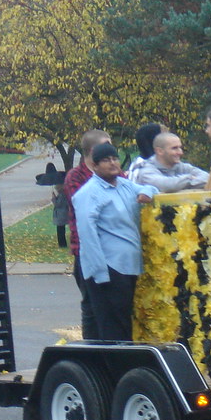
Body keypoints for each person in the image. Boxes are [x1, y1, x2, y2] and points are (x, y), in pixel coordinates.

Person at [72, 142, 157, 341]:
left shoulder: (124, 184)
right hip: (108, 268)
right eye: (106, 160)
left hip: (128, 266)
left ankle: (120, 365)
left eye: (114, 158)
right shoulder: (88, 193)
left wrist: (147, 193)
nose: (112, 163)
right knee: (112, 327)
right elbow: (88, 235)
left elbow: (149, 187)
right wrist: (100, 274)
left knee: (124, 321)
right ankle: (115, 368)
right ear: (95, 166)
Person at [64, 129, 113, 340]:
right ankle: (93, 349)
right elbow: (88, 209)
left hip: (112, 250)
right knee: (92, 308)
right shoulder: (76, 177)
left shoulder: (113, 172)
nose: (112, 152)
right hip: (86, 251)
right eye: (107, 145)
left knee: (111, 309)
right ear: (93, 151)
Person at [134, 132, 209, 192]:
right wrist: (189, 178)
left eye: (180, 148)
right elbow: (167, 186)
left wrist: (181, 183)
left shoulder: (182, 166)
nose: (180, 152)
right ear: (159, 151)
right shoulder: (146, 171)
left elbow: (208, 178)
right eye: (174, 148)